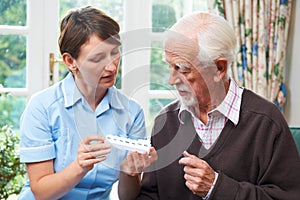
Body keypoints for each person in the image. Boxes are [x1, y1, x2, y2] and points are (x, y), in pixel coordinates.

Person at [136, 12, 300, 199]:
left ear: (219, 69)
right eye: (170, 66)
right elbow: (149, 196)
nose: (171, 80)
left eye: (182, 69)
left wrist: (217, 187)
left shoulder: (267, 123)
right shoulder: (165, 121)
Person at [19, 6, 156, 200]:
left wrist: (129, 173)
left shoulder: (131, 112)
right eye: (97, 58)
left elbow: (129, 197)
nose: (111, 67)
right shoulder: (42, 107)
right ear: (70, 61)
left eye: (115, 53)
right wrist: (79, 166)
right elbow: (41, 192)